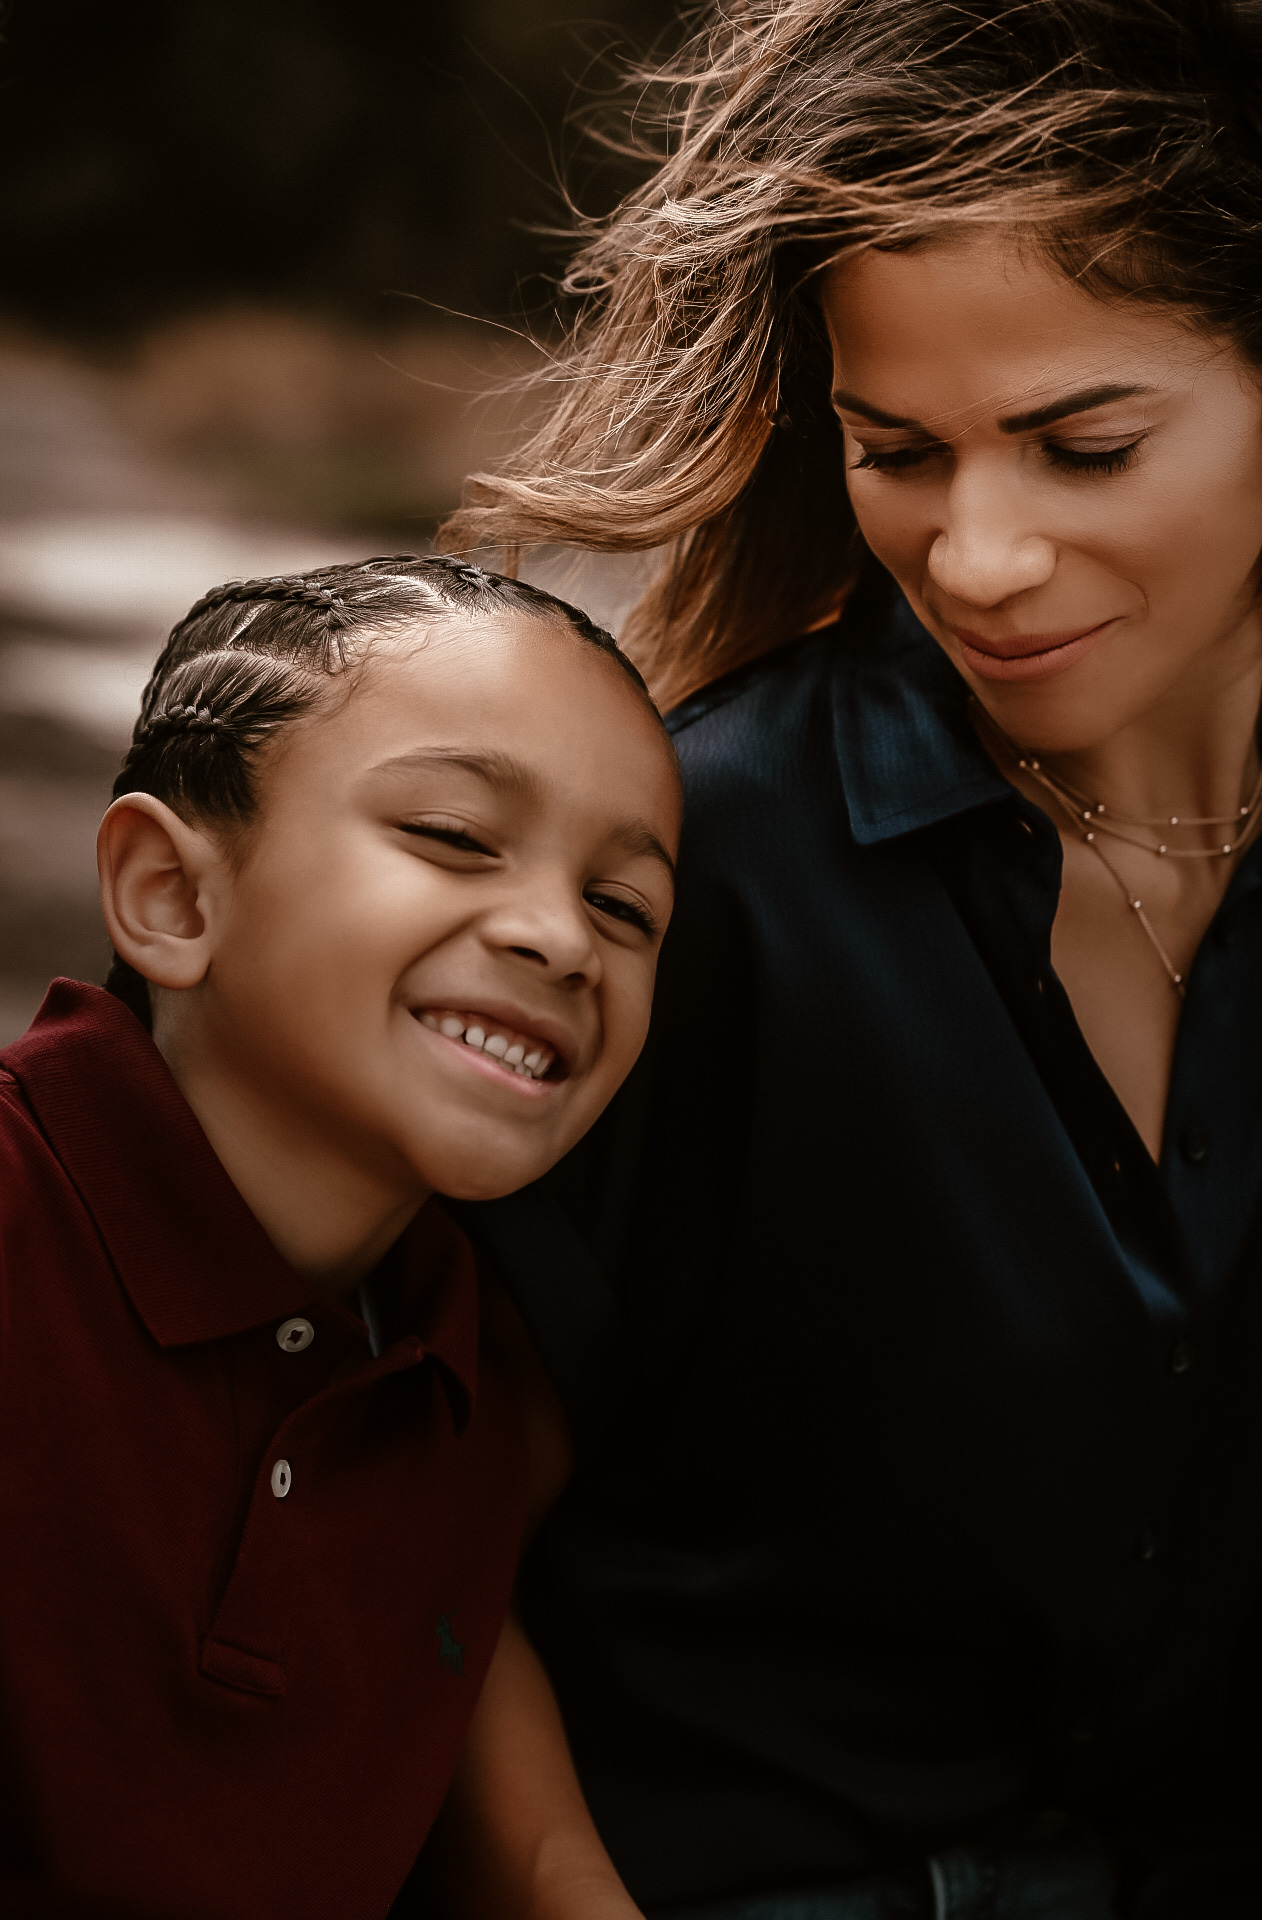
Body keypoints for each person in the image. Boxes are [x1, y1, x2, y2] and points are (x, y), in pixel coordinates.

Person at [432, 3, 1262, 1916]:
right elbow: (425, 1539)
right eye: (898, 452)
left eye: (1082, 446)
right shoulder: (693, 871)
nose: (975, 555)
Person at [0, 554, 681, 1919]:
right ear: (172, 896)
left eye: (626, 908)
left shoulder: (456, 1394)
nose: (561, 937)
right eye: (453, 835)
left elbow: (543, 1870)